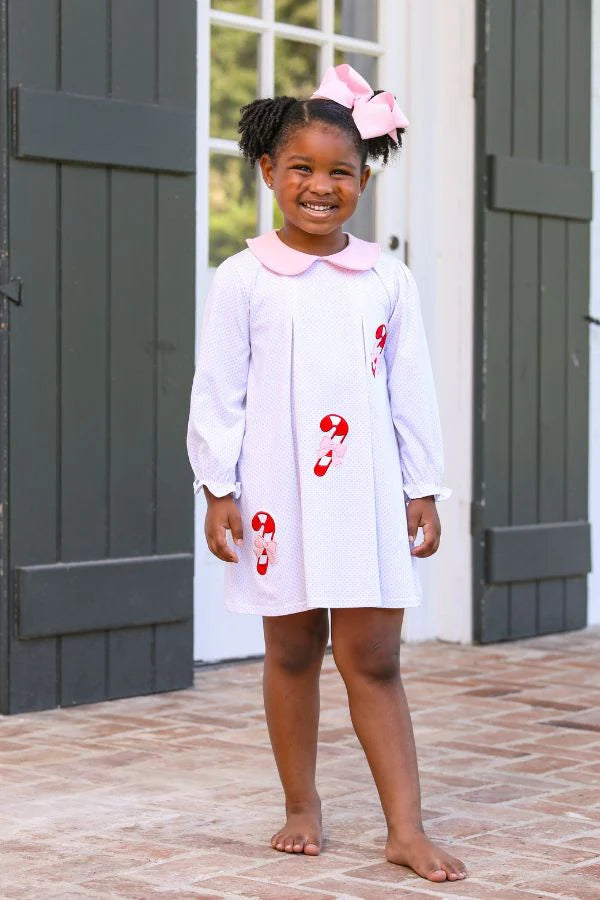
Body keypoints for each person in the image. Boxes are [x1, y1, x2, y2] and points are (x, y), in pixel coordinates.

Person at [187, 64, 467, 883]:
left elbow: (410, 385)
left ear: (364, 180)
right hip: (276, 495)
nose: (320, 186)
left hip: (367, 492)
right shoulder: (241, 279)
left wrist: (423, 484)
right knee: (293, 650)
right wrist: (219, 488)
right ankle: (301, 805)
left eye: (339, 171)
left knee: (374, 657)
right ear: (269, 172)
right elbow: (219, 391)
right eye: (301, 168)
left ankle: (404, 827)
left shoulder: (387, 278)